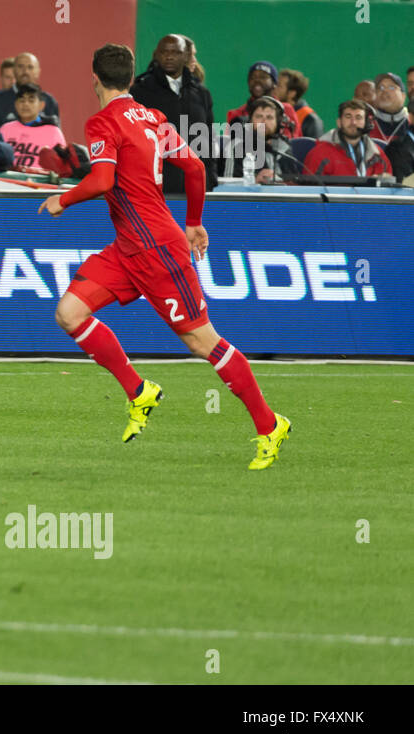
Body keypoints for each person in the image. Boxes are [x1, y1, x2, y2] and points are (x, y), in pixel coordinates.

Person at [37, 43, 291, 471]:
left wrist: (64, 199)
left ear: (93, 77)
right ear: (132, 78)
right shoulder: (154, 118)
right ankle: (139, 392)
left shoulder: (102, 122)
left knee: (201, 341)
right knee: (69, 312)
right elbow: (194, 167)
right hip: (130, 248)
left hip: (157, 249)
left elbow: (101, 180)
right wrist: (193, 222)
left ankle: (270, 426)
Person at [129, 34, 216, 191]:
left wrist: (210, 179)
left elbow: (208, 139)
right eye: (164, 52)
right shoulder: (140, 92)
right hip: (155, 186)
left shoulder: (201, 93)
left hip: (195, 185)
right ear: (156, 55)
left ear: (186, 57)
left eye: (175, 52)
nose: (169, 57)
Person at [303, 99, 394, 177]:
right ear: (339, 122)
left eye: (358, 117)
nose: (353, 122)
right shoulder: (320, 153)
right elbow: (309, 189)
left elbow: (388, 188)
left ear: (365, 123)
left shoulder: (377, 155)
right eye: (348, 116)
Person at [220, 97, 300, 183]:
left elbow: (295, 183)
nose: (263, 121)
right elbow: (228, 185)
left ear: (279, 123)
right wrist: (255, 181)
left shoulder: (284, 148)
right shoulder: (236, 146)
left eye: (269, 117)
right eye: (258, 117)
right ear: (250, 121)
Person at [0, 52, 60, 130]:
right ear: (14, 70)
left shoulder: (49, 101)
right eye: (20, 66)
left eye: (30, 67)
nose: (25, 71)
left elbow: (55, 138)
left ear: (38, 71)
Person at [0, 83, 66, 172]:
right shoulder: (5, 129)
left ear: (41, 105)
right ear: (16, 105)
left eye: (31, 100)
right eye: (21, 100)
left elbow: (61, 167)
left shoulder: (53, 132)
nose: (26, 104)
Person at [227, 61, 299, 139]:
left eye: (263, 77)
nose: (257, 80)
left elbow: (290, 143)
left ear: (274, 84)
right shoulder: (236, 115)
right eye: (253, 77)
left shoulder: (286, 110)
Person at [273, 68, 323, 138]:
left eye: (279, 86)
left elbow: (315, 148)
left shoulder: (310, 120)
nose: (274, 87)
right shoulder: (271, 111)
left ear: (291, 93)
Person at [368, 71, 410, 145]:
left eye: (391, 87)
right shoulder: (365, 123)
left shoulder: (411, 122)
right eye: (380, 87)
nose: (385, 90)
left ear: (403, 96)